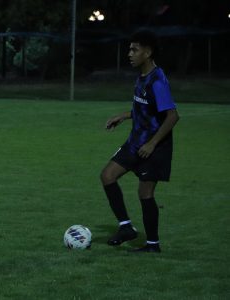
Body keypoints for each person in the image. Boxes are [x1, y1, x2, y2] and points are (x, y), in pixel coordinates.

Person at [100, 30, 179, 253]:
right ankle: (126, 227)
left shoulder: (157, 81)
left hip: (154, 147)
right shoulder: (142, 76)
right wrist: (125, 116)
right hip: (136, 141)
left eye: (134, 50)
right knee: (107, 176)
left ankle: (152, 244)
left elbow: (172, 116)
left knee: (145, 193)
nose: (130, 54)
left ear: (148, 52)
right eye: (129, 49)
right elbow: (147, 110)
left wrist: (152, 144)